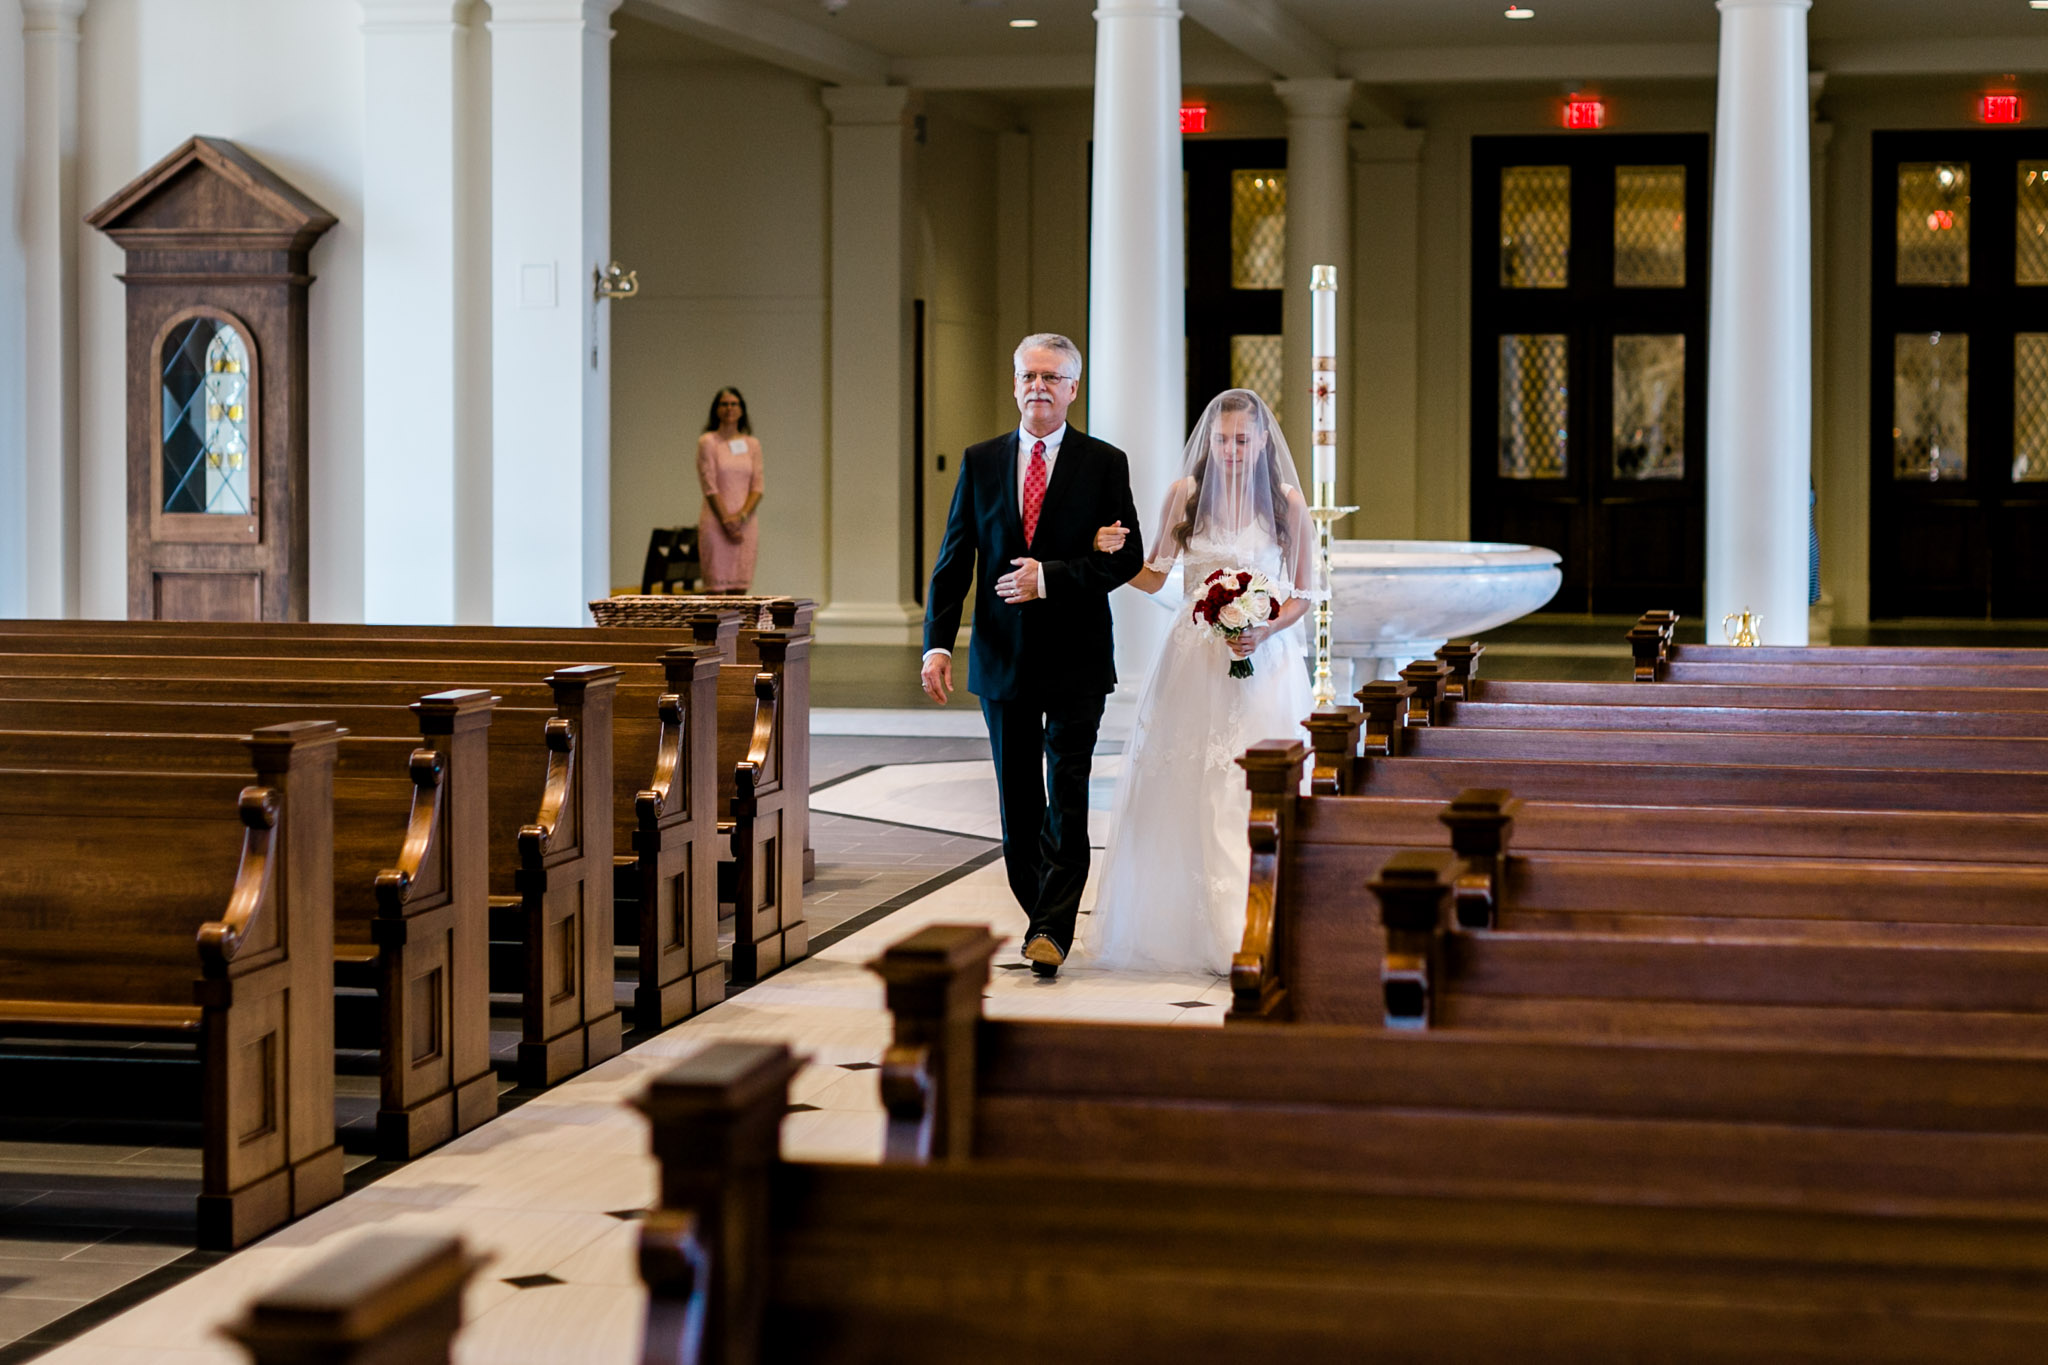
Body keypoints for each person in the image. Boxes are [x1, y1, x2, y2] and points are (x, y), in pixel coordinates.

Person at [920, 334, 1144, 978]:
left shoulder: (1104, 464)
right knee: (1018, 803)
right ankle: (1040, 909)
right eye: (1028, 375)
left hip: (1076, 655)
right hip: (1001, 657)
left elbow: (1124, 559)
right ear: (1014, 383)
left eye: (1052, 377)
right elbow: (953, 559)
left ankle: (1051, 927)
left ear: (1074, 388)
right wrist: (938, 643)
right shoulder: (981, 460)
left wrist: (1049, 577)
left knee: (1066, 791)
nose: (1038, 386)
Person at [1079, 388, 1315, 975]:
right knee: (1187, 784)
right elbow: (1155, 577)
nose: (1232, 451)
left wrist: (1262, 630)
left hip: (1264, 661)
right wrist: (1102, 549)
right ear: (1208, 441)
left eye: (1243, 440)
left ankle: (1252, 923)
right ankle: (1190, 927)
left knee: (1245, 786)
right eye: (1222, 440)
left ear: (1263, 440)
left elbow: (1305, 594)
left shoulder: (1287, 503)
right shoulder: (1184, 494)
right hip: (1193, 659)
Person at [696, 387, 765, 592]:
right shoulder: (708, 442)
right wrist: (726, 519)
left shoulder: (752, 444)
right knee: (716, 593)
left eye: (734, 404)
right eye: (724, 404)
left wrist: (740, 516)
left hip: (745, 523)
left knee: (739, 593)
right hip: (716, 523)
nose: (729, 408)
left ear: (742, 410)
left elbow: (757, 486)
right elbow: (709, 484)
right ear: (716, 409)